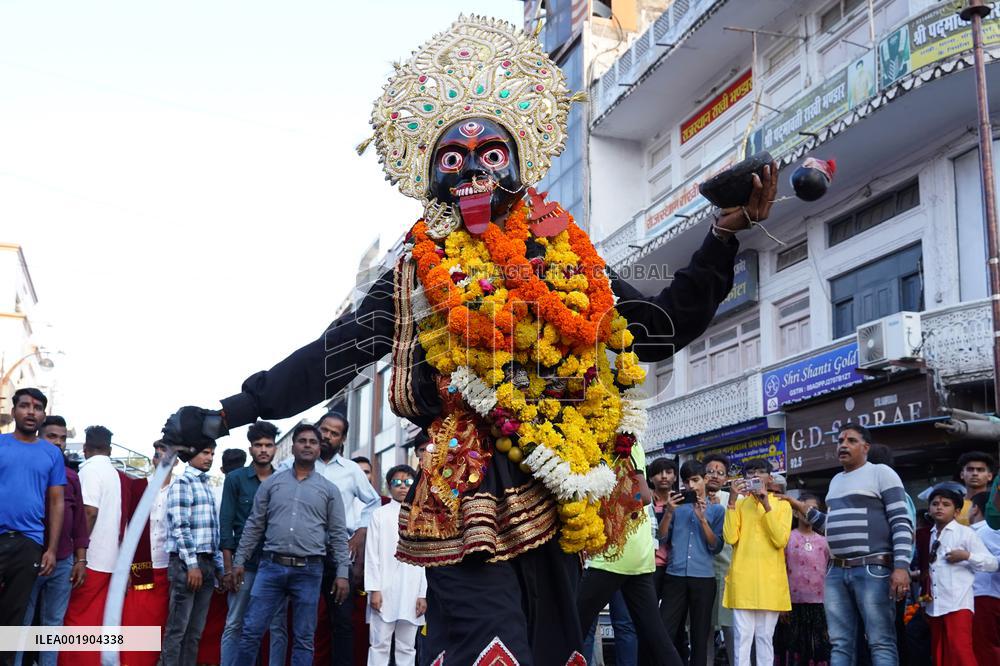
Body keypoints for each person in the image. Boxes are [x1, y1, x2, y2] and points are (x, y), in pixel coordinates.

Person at [160, 15, 780, 662]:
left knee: (556, 654)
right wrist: (233, 411)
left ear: (516, 168)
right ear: (432, 179)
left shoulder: (566, 258)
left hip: (561, 491)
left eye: (491, 156)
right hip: (465, 495)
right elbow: (332, 356)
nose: (473, 170)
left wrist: (724, 234)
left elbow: (657, 330)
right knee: (492, 652)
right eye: (453, 159)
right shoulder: (414, 272)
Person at [783, 424, 913, 666]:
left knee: (880, 642)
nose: (843, 445)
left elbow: (901, 522)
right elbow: (829, 527)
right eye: (840, 440)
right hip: (835, 571)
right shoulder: (836, 481)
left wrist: (901, 567)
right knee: (839, 643)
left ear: (866, 447)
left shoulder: (881, 473)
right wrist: (798, 506)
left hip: (872, 568)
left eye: (851, 440)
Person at [233, 423, 351, 666]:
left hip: (309, 571)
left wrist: (342, 573)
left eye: (313, 442)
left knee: (304, 638)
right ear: (292, 447)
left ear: (319, 449)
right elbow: (254, 525)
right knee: (251, 631)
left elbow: (339, 535)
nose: (307, 445)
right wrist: (239, 561)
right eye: (302, 441)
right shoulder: (271, 484)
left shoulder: (329, 490)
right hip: (271, 567)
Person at [277, 412, 381, 666]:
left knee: (342, 621)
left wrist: (359, 533)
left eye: (334, 433)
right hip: (301, 553)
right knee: (302, 621)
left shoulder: (351, 470)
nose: (327, 436)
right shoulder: (290, 466)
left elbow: (374, 501)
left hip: (336, 555)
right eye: (324, 430)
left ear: (342, 439)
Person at [577, 442, 682, 666]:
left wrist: (604, 505)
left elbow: (642, 496)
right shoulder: (600, 438)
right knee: (656, 637)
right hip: (635, 555)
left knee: (572, 625)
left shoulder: (625, 441)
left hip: (614, 554)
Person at [15, 416, 88, 666]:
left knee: (52, 627)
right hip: (27, 558)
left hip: (63, 561)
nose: (58, 443)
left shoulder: (71, 476)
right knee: (19, 624)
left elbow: (79, 521)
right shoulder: (24, 468)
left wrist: (81, 559)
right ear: (40, 438)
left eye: (63, 438)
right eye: (52, 436)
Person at [0, 389, 65, 666]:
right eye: (24, 406)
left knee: (13, 619)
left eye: (37, 407)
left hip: (29, 543)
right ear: (13, 411)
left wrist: (50, 549)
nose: (31, 411)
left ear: (43, 415)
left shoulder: (51, 454)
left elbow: (56, 502)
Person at [219, 421, 286, 666]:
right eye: (258, 445)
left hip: (275, 564)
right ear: (250, 449)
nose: (263, 449)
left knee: (277, 626)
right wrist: (228, 568)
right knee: (235, 622)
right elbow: (226, 524)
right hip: (243, 564)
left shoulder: (284, 480)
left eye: (268, 445)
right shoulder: (236, 479)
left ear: (275, 448)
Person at [60, 425, 121, 666]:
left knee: (75, 619)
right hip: (108, 561)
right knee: (93, 622)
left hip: (90, 559)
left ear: (85, 449)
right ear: (110, 449)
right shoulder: (113, 473)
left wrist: (79, 555)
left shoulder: (90, 471)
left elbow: (89, 512)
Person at [723, 457, 792, 666]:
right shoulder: (740, 504)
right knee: (742, 638)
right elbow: (730, 537)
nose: (754, 476)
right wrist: (732, 501)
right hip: (743, 580)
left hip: (770, 582)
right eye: (749, 472)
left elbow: (780, 540)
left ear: (770, 478)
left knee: (764, 638)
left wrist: (766, 505)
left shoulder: (782, 505)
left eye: (759, 472)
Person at [161, 439, 224, 666]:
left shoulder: (206, 485)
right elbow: (180, 527)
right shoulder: (183, 483)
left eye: (212, 453)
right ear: (192, 455)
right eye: (205, 452)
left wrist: (218, 569)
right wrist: (192, 566)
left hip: (206, 563)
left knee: (195, 631)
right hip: (187, 565)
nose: (209, 457)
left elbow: (212, 532)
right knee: (177, 629)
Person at [659, 460, 725, 666]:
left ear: (705, 479)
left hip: (703, 579)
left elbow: (716, 546)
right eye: (687, 482)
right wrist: (668, 512)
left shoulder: (717, 511)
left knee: (700, 635)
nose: (692, 486)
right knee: (665, 630)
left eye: (695, 480)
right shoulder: (676, 509)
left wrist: (703, 519)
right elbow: (660, 539)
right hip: (675, 576)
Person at [924, 483, 998, 666]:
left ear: (957, 512)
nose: (939, 507)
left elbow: (993, 564)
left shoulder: (966, 533)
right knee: (939, 654)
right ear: (929, 509)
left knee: (960, 651)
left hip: (958, 604)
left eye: (946, 504)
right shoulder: (928, 535)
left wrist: (967, 556)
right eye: (935, 503)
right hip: (934, 605)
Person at [119, 440, 175, 666]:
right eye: (157, 454)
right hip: (142, 565)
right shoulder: (139, 487)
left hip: (170, 565)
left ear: (176, 460)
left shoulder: (181, 487)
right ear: (153, 460)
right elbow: (126, 526)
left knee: (162, 622)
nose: (161, 458)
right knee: (135, 619)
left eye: (167, 454)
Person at [365, 464, 427, 666]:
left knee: (407, 647)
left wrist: (423, 594)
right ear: (388, 486)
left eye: (408, 482)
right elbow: (372, 554)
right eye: (397, 482)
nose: (403, 487)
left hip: (411, 590)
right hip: (383, 590)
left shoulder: (422, 517)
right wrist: (374, 589)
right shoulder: (379, 515)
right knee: (379, 645)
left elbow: (426, 558)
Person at [777, 492, 830, 666]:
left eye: (813, 509)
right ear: (795, 511)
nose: (807, 512)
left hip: (820, 604)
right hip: (792, 604)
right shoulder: (787, 538)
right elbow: (780, 570)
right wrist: (782, 605)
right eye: (803, 507)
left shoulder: (824, 541)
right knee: (794, 649)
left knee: (819, 648)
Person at [703, 453, 734, 666]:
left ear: (726, 478)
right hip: (701, 570)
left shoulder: (733, 501)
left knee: (730, 626)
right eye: (710, 472)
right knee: (701, 627)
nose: (715, 476)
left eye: (720, 473)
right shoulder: (693, 498)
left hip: (727, 570)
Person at [967, 491, 1000, 665]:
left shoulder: (985, 530)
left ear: (975, 509)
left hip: (985, 596)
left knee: (986, 647)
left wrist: (967, 557)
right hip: (988, 595)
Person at [648, 457, 678, 600]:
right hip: (651, 565)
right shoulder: (645, 502)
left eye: (669, 472)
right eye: (659, 473)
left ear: (675, 477)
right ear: (650, 478)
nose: (664, 476)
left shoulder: (683, 502)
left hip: (676, 567)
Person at [955, 451, 996, 526]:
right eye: (970, 469)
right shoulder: (952, 505)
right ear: (962, 474)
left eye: (980, 470)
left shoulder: (996, 503)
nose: (975, 473)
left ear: (989, 476)